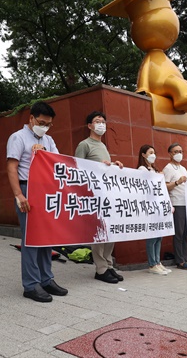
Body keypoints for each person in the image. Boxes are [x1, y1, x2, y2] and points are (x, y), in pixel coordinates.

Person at [7, 101, 68, 302]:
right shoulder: (18, 137)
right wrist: (19, 195)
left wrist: (43, 153)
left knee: (46, 238)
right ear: (31, 118)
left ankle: (46, 279)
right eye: (42, 122)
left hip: (46, 191)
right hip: (27, 188)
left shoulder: (49, 140)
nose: (45, 127)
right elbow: (12, 167)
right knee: (31, 239)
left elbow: (58, 163)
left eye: (49, 124)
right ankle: (31, 284)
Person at [75, 111, 124, 283]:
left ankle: (109, 265)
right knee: (99, 233)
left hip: (107, 195)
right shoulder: (84, 145)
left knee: (110, 231)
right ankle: (101, 268)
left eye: (103, 121)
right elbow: (78, 169)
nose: (101, 124)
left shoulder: (103, 146)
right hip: (93, 196)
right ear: (89, 125)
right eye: (97, 121)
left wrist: (114, 165)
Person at [162, 143, 187, 270]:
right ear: (170, 153)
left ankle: (186, 258)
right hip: (177, 203)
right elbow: (165, 186)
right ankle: (179, 260)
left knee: (185, 234)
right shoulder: (168, 168)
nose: (178, 154)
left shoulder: (183, 168)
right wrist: (177, 182)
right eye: (175, 151)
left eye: (180, 151)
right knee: (178, 233)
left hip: (186, 203)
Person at [137, 145, 171, 275]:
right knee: (152, 237)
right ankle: (152, 264)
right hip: (150, 206)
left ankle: (157, 262)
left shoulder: (155, 169)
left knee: (159, 236)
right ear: (143, 155)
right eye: (150, 152)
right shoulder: (142, 169)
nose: (153, 155)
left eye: (154, 152)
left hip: (159, 206)